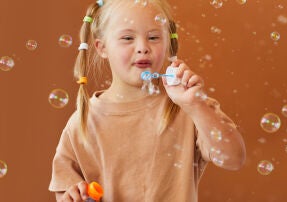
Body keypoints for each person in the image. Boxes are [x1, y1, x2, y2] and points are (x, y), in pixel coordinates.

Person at [49, 0, 246, 201]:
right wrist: (74, 197)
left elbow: (233, 158)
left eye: (153, 37)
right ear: (102, 48)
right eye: (127, 38)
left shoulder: (187, 106)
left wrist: (196, 105)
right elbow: (65, 194)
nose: (143, 47)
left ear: (168, 43)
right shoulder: (82, 123)